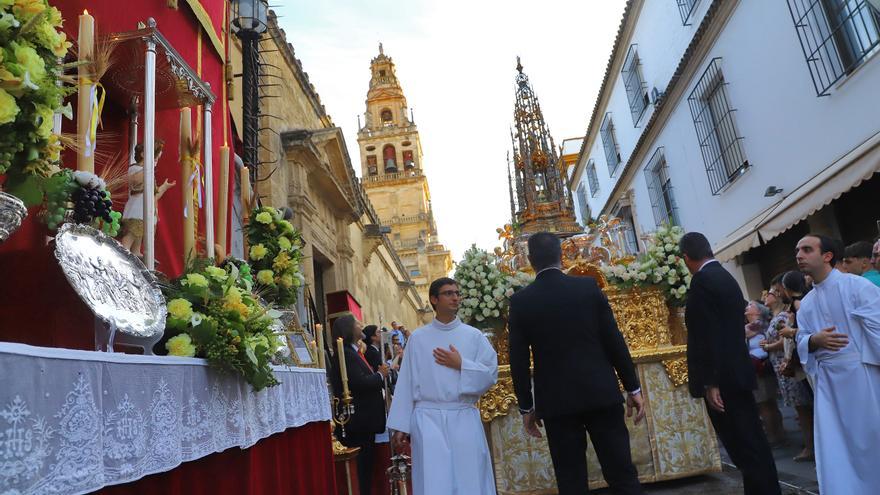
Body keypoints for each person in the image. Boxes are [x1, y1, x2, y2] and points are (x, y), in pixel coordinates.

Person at [508, 232, 645, 494]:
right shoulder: (587, 288)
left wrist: (527, 407)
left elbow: (519, 361)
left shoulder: (521, 302)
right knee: (622, 473)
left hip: (557, 403)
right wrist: (633, 388)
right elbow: (614, 341)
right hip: (601, 393)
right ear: (561, 256)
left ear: (529, 260)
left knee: (571, 481)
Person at [679, 232, 780, 495]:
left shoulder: (703, 282)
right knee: (751, 443)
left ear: (686, 258)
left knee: (744, 445)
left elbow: (707, 335)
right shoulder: (724, 277)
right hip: (736, 371)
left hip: (724, 378)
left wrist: (711, 381)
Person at [387, 277, 498, 495]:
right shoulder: (418, 338)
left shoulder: (473, 336)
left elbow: (490, 373)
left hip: (463, 416)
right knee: (433, 480)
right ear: (433, 299)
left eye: (457, 293)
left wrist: (462, 365)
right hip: (428, 420)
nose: (455, 297)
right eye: (449, 293)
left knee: (470, 477)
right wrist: (401, 424)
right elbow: (407, 381)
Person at [793, 234, 880, 493]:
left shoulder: (857, 287)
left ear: (827, 256)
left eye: (807, 249)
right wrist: (812, 340)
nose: (799, 255)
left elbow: (877, 329)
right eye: (797, 251)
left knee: (870, 438)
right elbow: (801, 339)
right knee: (836, 445)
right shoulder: (806, 303)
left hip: (863, 375)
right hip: (828, 383)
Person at [330, 315, 390, 495]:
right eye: (357, 323)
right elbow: (358, 383)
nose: (361, 325)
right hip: (358, 422)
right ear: (349, 329)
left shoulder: (355, 352)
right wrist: (380, 375)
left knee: (366, 469)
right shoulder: (347, 354)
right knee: (361, 470)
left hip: (366, 422)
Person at [759, 275, 814, 462]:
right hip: (787, 362)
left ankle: (812, 447)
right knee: (802, 408)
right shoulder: (786, 312)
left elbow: (791, 337)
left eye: (776, 290)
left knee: (804, 408)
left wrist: (771, 347)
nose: (774, 293)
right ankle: (811, 445)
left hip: (794, 362)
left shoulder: (793, 309)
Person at [120, 140, 176, 257]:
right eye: (155, 158)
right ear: (143, 154)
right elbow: (134, 181)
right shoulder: (135, 169)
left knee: (140, 235)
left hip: (146, 209)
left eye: (157, 159)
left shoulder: (148, 172)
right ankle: (124, 252)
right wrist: (148, 168)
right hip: (137, 209)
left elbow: (153, 196)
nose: (156, 161)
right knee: (132, 233)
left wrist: (164, 187)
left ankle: (136, 252)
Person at [744, 301, 784, 445]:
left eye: (750, 306)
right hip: (758, 367)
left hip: (761, 367)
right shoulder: (750, 327)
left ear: (758, 312)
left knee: (765, 403)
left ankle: (775, 436)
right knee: (768, 403)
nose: (747, 307)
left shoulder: (759, 326)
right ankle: (778, 434)